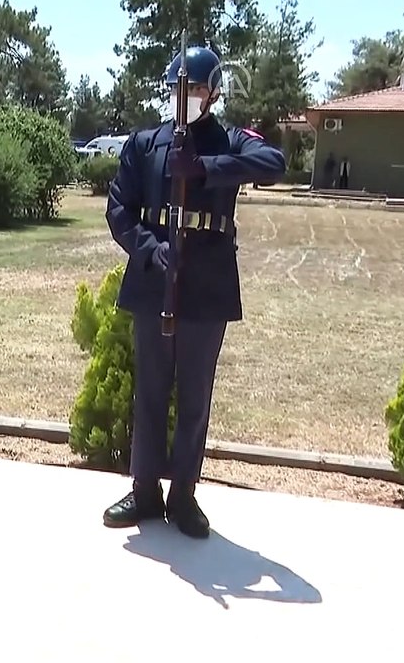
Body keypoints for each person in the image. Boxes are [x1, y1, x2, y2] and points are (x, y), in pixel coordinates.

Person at [103, 45, 285, 539]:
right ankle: (145, 492)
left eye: (198, 89)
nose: (186, 98)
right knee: (150, 391)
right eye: (179, 89)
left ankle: (183, 493)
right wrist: (149, 249)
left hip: (206, 283)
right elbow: (119, 210)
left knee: (194, 395)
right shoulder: (144, 144)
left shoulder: (230, 140)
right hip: (155, 276)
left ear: (214, 93)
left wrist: (205, 167)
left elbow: (274, 162)